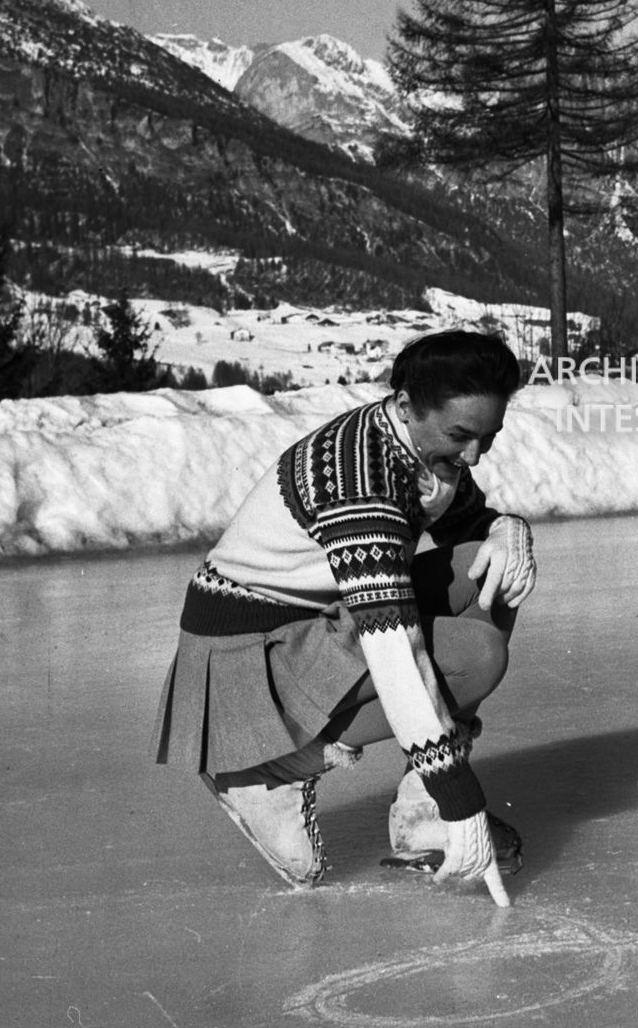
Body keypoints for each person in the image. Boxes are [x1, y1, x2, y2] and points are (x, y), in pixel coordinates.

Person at [152, 329, 537, 897]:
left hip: (315, 624)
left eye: (489, 437)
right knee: (476, 657)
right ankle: (268, 767)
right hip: (247, 660)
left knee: (491, 567)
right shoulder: (363, 483)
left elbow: (469, 528)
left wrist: (508, 529)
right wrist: (462, 801)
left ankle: (419, 808)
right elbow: (394, 651)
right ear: (406, 405)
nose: (475, 455)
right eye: (461, 435)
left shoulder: (415, 445)